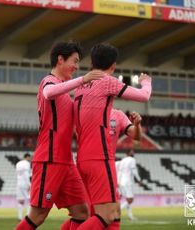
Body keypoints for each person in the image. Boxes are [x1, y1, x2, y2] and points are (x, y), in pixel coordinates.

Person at [16, 41, 104, 230]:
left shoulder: (65, 91)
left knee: (82, 212)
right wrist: (83, 79)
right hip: (49, 159)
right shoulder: (49, 82)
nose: (77, 66)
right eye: (74, 61)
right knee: (38, 215)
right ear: (60, 59)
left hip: (66, 161)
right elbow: (48, 93)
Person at [74, 43, 151, 230]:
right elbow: (144, 96)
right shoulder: (107, 81)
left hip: (83, 158)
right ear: (113, 66)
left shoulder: (80, 85)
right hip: (100, 157)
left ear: (92, 62)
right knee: (107, 215)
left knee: (114, 211)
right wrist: (146, 81)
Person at [117, 149, 142, 221]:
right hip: (128, 182)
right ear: (128, 153)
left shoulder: (123, 160)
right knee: (130, 200)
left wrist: (118, 181)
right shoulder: (132, 160)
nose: (133, 153)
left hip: (122, 182)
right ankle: (117, 210)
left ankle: (130, 216)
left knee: (128, 200)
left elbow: (120, 172)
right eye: (132, 152)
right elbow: (134, 170)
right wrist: (139, 180)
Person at [16, 153, 31, 220]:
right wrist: (29, 184)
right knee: (29, 199)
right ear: (27, 157)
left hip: (19, 183)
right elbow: (26, 174)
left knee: (21, 200)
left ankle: (20, 217)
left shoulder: (18, 163)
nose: (29, 159)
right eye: (29, 158)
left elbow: (18, 174)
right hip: (25, 183)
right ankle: (28, 216)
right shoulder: (27, 163)